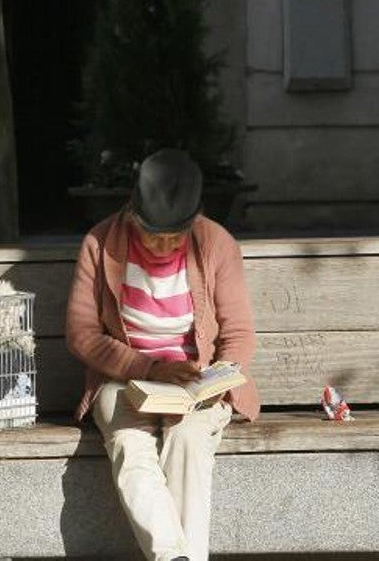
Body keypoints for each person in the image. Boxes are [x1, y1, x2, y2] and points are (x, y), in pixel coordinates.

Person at [65, 148, 259, 561]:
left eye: (176, 235)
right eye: (154, 233)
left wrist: (216, 378)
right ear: (133, 214)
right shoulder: (100, 244)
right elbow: (82, 334)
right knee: (130, 446)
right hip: (124, 378)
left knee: (189, 439)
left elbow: (239, 333)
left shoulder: (217, 244)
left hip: (194, 379)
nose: (164, 244)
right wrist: (150, 367)